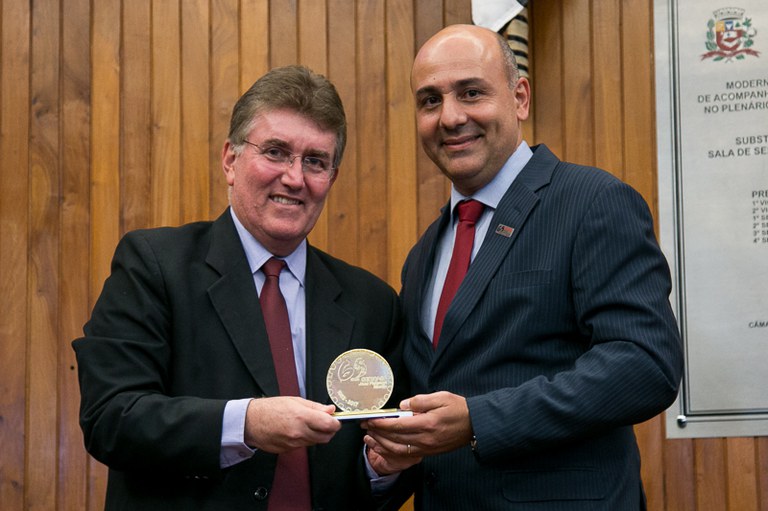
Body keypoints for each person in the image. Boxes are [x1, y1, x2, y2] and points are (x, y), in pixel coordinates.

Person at [363, 24, 684, 510]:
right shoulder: (424, 253)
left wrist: (480, 420)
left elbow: (645, 365)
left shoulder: (592, 202)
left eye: (471, 93)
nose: (450, 117)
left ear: (520, 98)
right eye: (430, 101)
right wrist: (386, 462)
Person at [74, 65, 410, 511]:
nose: (295, 178)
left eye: (315, 161)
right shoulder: (154, 266)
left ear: (332, 177)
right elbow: (112, 418)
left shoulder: (372, 303)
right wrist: (246, 424)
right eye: (275, 152)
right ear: (230, 160)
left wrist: (382, 469)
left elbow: (376, 464)